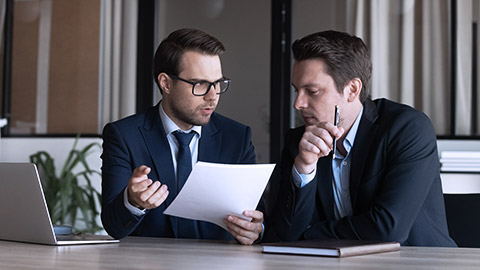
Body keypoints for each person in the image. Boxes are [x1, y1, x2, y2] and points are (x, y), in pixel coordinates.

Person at [263, 30, 456, 247]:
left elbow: (387, 230)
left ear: (352, 90)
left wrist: (307, 233)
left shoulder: (407, 129)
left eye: (312, 91)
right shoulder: (299, 143)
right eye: (297, 90)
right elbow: (282, 235)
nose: (298, 103)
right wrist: (304, 168)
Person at [101, 28, 263, 245]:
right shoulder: (124, 136)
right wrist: (133, 202)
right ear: (166, 83)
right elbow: (113, 227)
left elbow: (258, 214)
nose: (212, 96)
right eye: (200, 84)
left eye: (217, 83)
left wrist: (256, 228)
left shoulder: (237, 137)